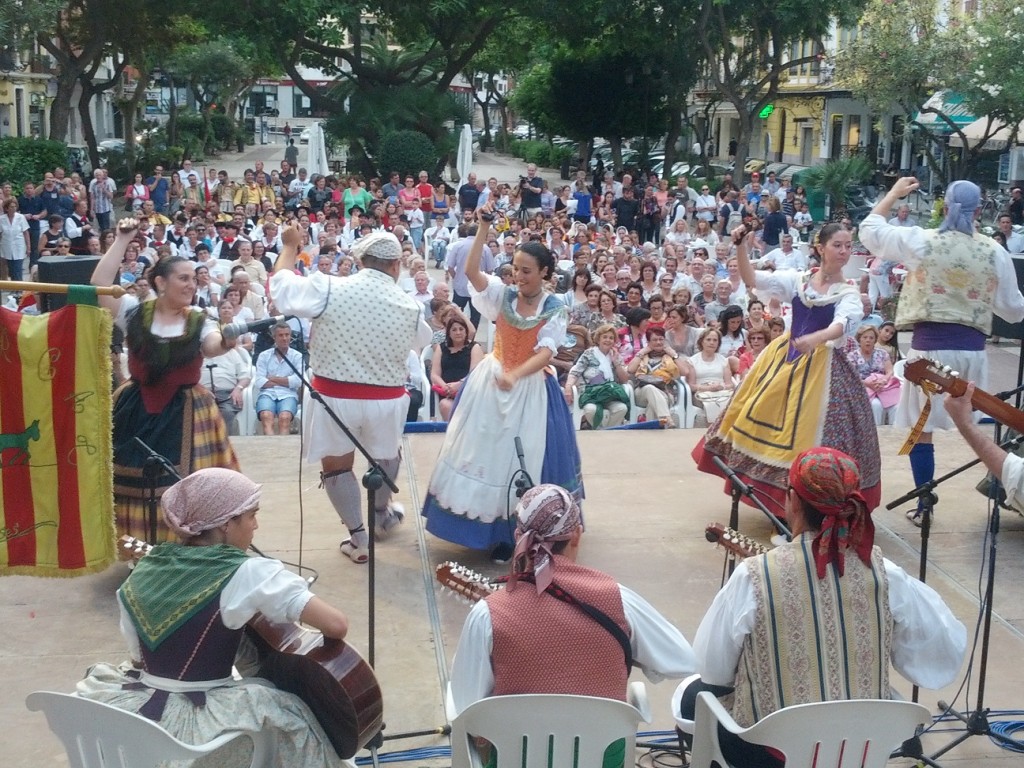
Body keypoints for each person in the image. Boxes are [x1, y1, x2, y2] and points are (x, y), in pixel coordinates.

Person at [675, 448, 966, 768]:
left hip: (774, 757)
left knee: (693, 698)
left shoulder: (753, 576)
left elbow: (711, 669)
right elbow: (939, 657)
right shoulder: (888, 575)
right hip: (861, 753)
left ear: (793, 500)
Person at [77, 468, 352, 768]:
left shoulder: (140, 573)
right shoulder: (247, 572)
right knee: (299, 726)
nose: (255, 525)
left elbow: (139, 660)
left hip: (140, 720)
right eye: (251, 516)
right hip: (202, 735)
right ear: (226, 524)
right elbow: (336, 625)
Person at [450, 484, 697, 760]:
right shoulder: (618, 600)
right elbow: (683, 660)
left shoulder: (488, 614)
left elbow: (464, 708)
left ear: (518, 536)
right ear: (577, 535)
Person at [421, 203, 584, 562]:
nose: (519, 277)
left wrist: (516, 374)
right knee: (483, 451)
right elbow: (471, 271)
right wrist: (482, 228)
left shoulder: (554, 307)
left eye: (527, 272)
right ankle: (487, 532)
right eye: (516, 270)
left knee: (523, 457)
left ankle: (521, 530)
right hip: (491, 382)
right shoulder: (502, 294)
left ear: (545, 272)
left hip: (529, 389)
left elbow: (546, 352)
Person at [859, 177, 1024, 523]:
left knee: (922, 431)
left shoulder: (922, 240)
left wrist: (893, 194)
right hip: (973, 353)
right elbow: (1012, 308)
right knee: (972, 424)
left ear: (944, 207)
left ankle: (924, 505)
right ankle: (1009, 489)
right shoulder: (994, 251)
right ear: (980, 211)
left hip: (928, 354)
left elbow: (870, 231)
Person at [692, 223, 882, 516]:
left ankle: (815, 508)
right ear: (820, 248)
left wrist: (815, 339)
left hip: (826, 368)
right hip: (785, 360)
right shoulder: (799, 280)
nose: (844, 251)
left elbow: (843, 324)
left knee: (819, 435)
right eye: (838, 245)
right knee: (760, 419)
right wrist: (741, 247)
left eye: (848, 245)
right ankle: (784, 508)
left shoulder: (848, 292)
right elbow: (752, 277)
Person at [270, 225, 430, 563]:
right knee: (386, 455)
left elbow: (281, 290)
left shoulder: (329, 287)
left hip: (334, 396)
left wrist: (289, 247)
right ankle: (381, 512)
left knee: (337, 466)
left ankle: (359, 540)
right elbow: (421, 341)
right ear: (396, 266)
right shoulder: (411, 306)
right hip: (386, 400)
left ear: (359, 261)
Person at [90, 218, 240, 541]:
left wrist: (226, 341)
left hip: (188, 410)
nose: (191, 284)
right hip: (136, 407)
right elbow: (99, 283)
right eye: (183, 278)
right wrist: (122, 239)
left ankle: (187, 544)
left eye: (193, 279)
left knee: (188, 481)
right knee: (131, 480)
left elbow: (212, 346)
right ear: (160, 282)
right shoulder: (133, 312)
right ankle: (138, 547)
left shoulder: (200, 320)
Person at [563, 323, 631, 429]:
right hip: (591, 394)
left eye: (611, 338)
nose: (608, 340)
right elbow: (575, 372)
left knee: (622, 408)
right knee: (591, 410)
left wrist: (616, 363)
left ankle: (603, 432)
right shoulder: (588, 354)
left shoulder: (616, 355)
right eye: (605, 337)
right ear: (598, 339)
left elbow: (625, 380)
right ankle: (604, 431)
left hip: (610, 395)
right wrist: (568, 388)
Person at [254, 322, 304, 436]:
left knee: (284, 417)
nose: (285, 338)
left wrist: (272, 378)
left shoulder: (297, 356)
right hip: (267, 393)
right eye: (281, 335)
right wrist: (286, 381)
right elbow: (259, 381)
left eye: (287, 335)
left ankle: (283, 450)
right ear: (274, 337)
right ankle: (271, 450)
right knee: (266, 416)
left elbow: (298, 381)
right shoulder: (264, 355)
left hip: (288, 394)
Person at [431, 315, 483, 422]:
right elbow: (434, 374)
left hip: (468, 390)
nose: (458, 332)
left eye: (461, 329)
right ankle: (452, 435)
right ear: (449, 333)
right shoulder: (441, 348)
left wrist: (459, 385)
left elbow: (475, 373)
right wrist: (445, 386)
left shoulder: (474, 347)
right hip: (447, 393)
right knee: (445, 405)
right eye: (454, 330)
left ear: (466, 331)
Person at [627, 327, 682, 427]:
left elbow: (685, 371)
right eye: (655, 340)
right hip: (641, 392)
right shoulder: (643, 356)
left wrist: (674, 355)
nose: (658, 342)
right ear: (648, 342)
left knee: (652, 405)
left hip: (665, 391)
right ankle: (667, 418)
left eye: (661, 339)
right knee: (649, 388)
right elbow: (630, 369)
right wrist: (643, 352)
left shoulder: (669, 356)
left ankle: (652, 434)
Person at [847, 324, 900, 426]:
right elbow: (851, 377)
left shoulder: (882, 353)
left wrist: (884, 380)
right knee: (876, 405)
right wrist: (867, 384)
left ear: (875, 340)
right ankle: (876, 435)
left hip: (882, 386)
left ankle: (895, 434)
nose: (868, 340)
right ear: (859, 339)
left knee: (896, 406)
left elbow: (890, 371)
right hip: (862, 387)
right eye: (865, 337)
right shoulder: (852, 356)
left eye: (871, 338)